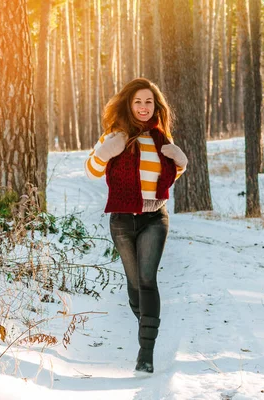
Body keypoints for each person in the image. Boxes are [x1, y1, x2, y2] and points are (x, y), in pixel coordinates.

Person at [85, 78, 187, 373]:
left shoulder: (160, 138)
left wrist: (181, 163)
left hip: (155, 217)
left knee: (146, 280)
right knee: (133, 286)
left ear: (156, 106)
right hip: (122, 219)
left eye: (149, 102)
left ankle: (146, 354)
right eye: (138, 102)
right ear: (129, 105)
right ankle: (148, 324)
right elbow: (92, 171)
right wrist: (104, 153)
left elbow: (163, 178)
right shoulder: (114, 136)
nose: (143, 107)